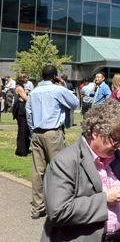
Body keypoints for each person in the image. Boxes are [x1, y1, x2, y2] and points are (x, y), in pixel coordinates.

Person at [41, 100, 120, 241]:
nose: (118, 145)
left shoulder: (118, 157)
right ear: (96, 132)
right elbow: (58, 211)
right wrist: (104, 199)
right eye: (115, 139)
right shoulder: (65, 162)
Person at [26, 65, 80, 220]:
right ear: (55, 76)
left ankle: (38, 207)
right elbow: (75, 103)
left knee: (38, 172)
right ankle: (59, 207)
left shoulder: (34, 91)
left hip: (37, 132)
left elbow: (29, 113)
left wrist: (33, 131)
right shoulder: (58, 90)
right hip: (53, 132)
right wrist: (63, 84)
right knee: (59, 169)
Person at [14, 73, 30, 157]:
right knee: (23, 130)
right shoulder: (19, 88)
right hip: (20, 111)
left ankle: (23, 149)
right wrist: (27, 95)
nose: (27, 79)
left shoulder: (21, 87)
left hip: (21, 110)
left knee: (24, 130)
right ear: (21, 79)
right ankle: (21, 151)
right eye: (26, 78)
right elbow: (26, 99)